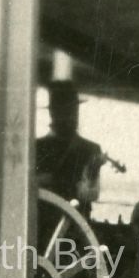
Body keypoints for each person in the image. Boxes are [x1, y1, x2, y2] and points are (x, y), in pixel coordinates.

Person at [36, 80, 107, 218]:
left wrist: (89, 176)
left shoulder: (92, 149)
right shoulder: (36, 148)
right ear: (52, 113)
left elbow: (93, 194)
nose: (72, 115)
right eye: (65, 110)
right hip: (44, 225)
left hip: (77, 227)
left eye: (73, 110)